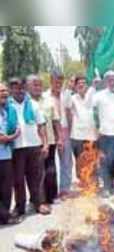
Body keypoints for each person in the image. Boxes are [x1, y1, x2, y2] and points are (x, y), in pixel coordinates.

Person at [9, 78, 51, 217]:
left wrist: (45, 144)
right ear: (11, 90)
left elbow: (41, 125)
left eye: (21, 87)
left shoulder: (33, 104)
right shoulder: (8, 106)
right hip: (16, 148)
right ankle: (20, 207)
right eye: (15, 88)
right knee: (18, 179)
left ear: (25, 88)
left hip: (34, 146)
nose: (19, 90)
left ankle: (38, 203)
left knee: (36, 177)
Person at [27, 75, 62, 206]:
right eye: (34, 85)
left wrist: (60, 139)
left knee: (50, 170)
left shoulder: (49, 101)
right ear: (28, 86)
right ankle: (36, 199)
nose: (37, 87)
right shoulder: (25, 102)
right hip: (32, 144)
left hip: (50, 142)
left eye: (39, 85)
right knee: (34, 173)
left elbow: (56, 121)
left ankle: (52, 196)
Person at [43, 70, 73, 198]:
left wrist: (69, 132)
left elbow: (69, 114)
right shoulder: (45, 96)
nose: (58, 84)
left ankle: (64, 189)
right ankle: (49, 191)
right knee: (50, 163)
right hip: (50, 132)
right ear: (51, 81)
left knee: (66, 161)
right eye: (56, 82)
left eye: (60, 82)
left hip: (64, 130)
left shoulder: (66, 95)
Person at [0, 82, 22, 225]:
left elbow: (16, 129)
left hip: (6, 154)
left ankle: (5, 215)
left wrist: (10, 137)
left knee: (7, 188)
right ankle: (4, 215)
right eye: (1, 91)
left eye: (5, 91)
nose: (4, 93)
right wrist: (11, 136)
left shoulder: (8, 110)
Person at [68, 75, 98, 178]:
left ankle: (93, 185)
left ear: (87, 85)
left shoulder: (94, 97)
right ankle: (83, 185)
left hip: (91, 135)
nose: (81, 85)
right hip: (77, 136)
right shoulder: (71, 99)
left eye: (83, 83)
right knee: (80, 162)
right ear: (75, 86)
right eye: (78, 83)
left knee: (92, 161)